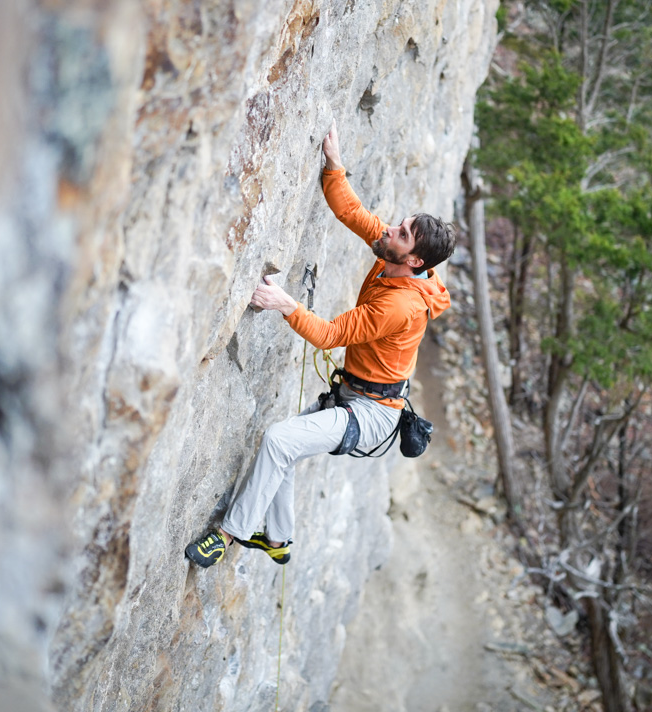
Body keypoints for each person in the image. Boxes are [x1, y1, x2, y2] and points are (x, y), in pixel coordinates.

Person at [185, 121, 455, 568]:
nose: (390, 228)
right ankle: (277, 537)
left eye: (401, 233)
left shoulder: (402, 306)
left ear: (414, 261)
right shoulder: (399, 260)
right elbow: (354, 214)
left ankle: (228, 536)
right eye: (400, 224)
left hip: (370, 413)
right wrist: (335, 165)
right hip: (356, 397)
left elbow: (329, 334)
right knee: (285, 452)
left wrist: (283, 302)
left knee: (277, 440)